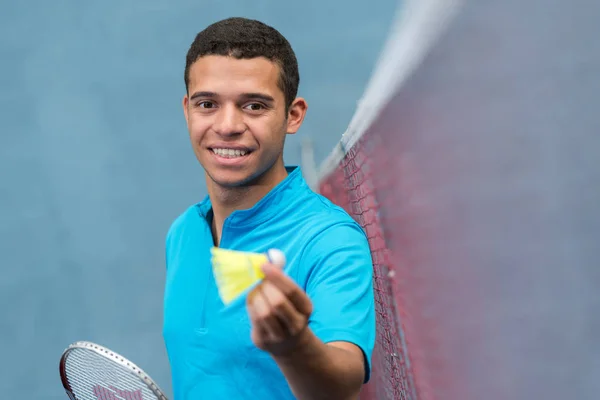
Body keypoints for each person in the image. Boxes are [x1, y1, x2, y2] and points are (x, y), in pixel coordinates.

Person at [163, 17, 376, 399]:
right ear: (187, 110)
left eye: (254, 106)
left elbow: (342, 382)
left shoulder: (330, 241)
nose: (227, 125)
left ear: (292, 115)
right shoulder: (182, 233)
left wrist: (292, 345)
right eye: (208, 104)